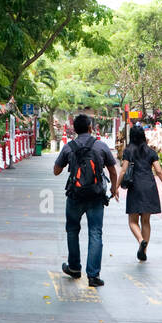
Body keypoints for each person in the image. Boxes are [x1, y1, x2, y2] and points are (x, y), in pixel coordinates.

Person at [53, 114, 119, 287]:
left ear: (74, 129)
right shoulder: (101, 146)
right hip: (96, 196)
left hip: (75, 196)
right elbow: (113, 170)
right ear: (91, 128)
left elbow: (56, 171)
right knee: (95, 232)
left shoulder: (69, 147)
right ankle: (93, 275)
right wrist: (114, 188)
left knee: (72, 231)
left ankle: (74, 268)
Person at [117, 124, 162, 262]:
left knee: (132, 221)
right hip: (149, 186)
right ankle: (144, 251)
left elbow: (123, 171)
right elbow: (159, 171)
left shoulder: (128, 151)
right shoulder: (151, 152)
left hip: (135, 187)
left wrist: (115, 187)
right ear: (143, 136)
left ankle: (141, 241)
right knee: (146, 221)